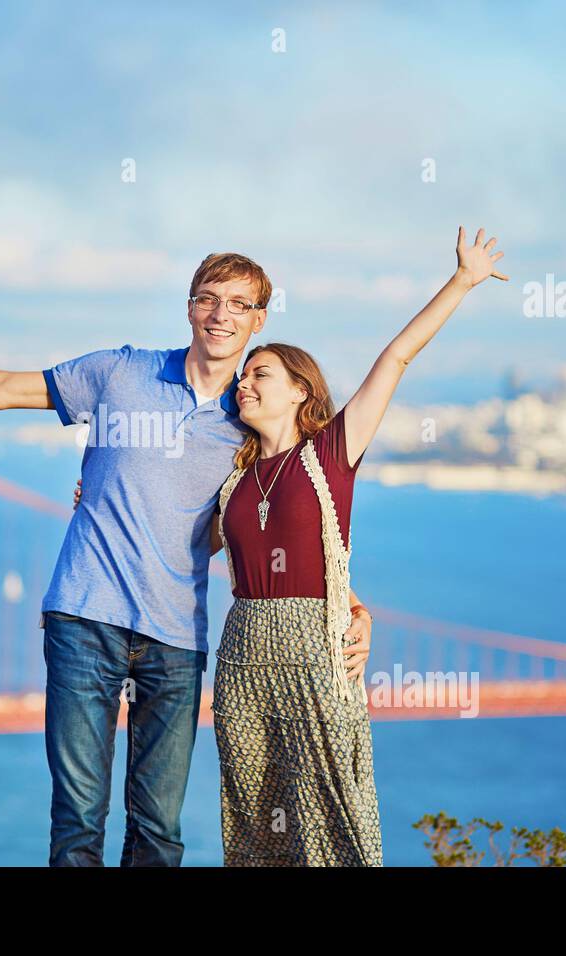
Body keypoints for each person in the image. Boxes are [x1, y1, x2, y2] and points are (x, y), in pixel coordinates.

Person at [0, 251, 376, 866]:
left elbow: (289, 527)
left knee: (158, 832)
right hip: (84, 619)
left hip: (176, 640)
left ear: (259, 320)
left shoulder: (251, 416)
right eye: (209, 298)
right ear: (189, 307)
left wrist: (354, 606)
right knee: (77, 822)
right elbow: (0, 388)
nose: (221, 315)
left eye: (239, 305)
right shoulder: (120, 372)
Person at [208, 226, 507, 865]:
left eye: (261, 374)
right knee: (255, 825)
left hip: (316, 652)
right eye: (243, 379)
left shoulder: (331, 454)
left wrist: (463, 280)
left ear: (300, 391)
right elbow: (169, 538)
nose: (246, 385)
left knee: (333, 819)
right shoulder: (232, 479)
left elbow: (396, 356)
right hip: (239, 657)